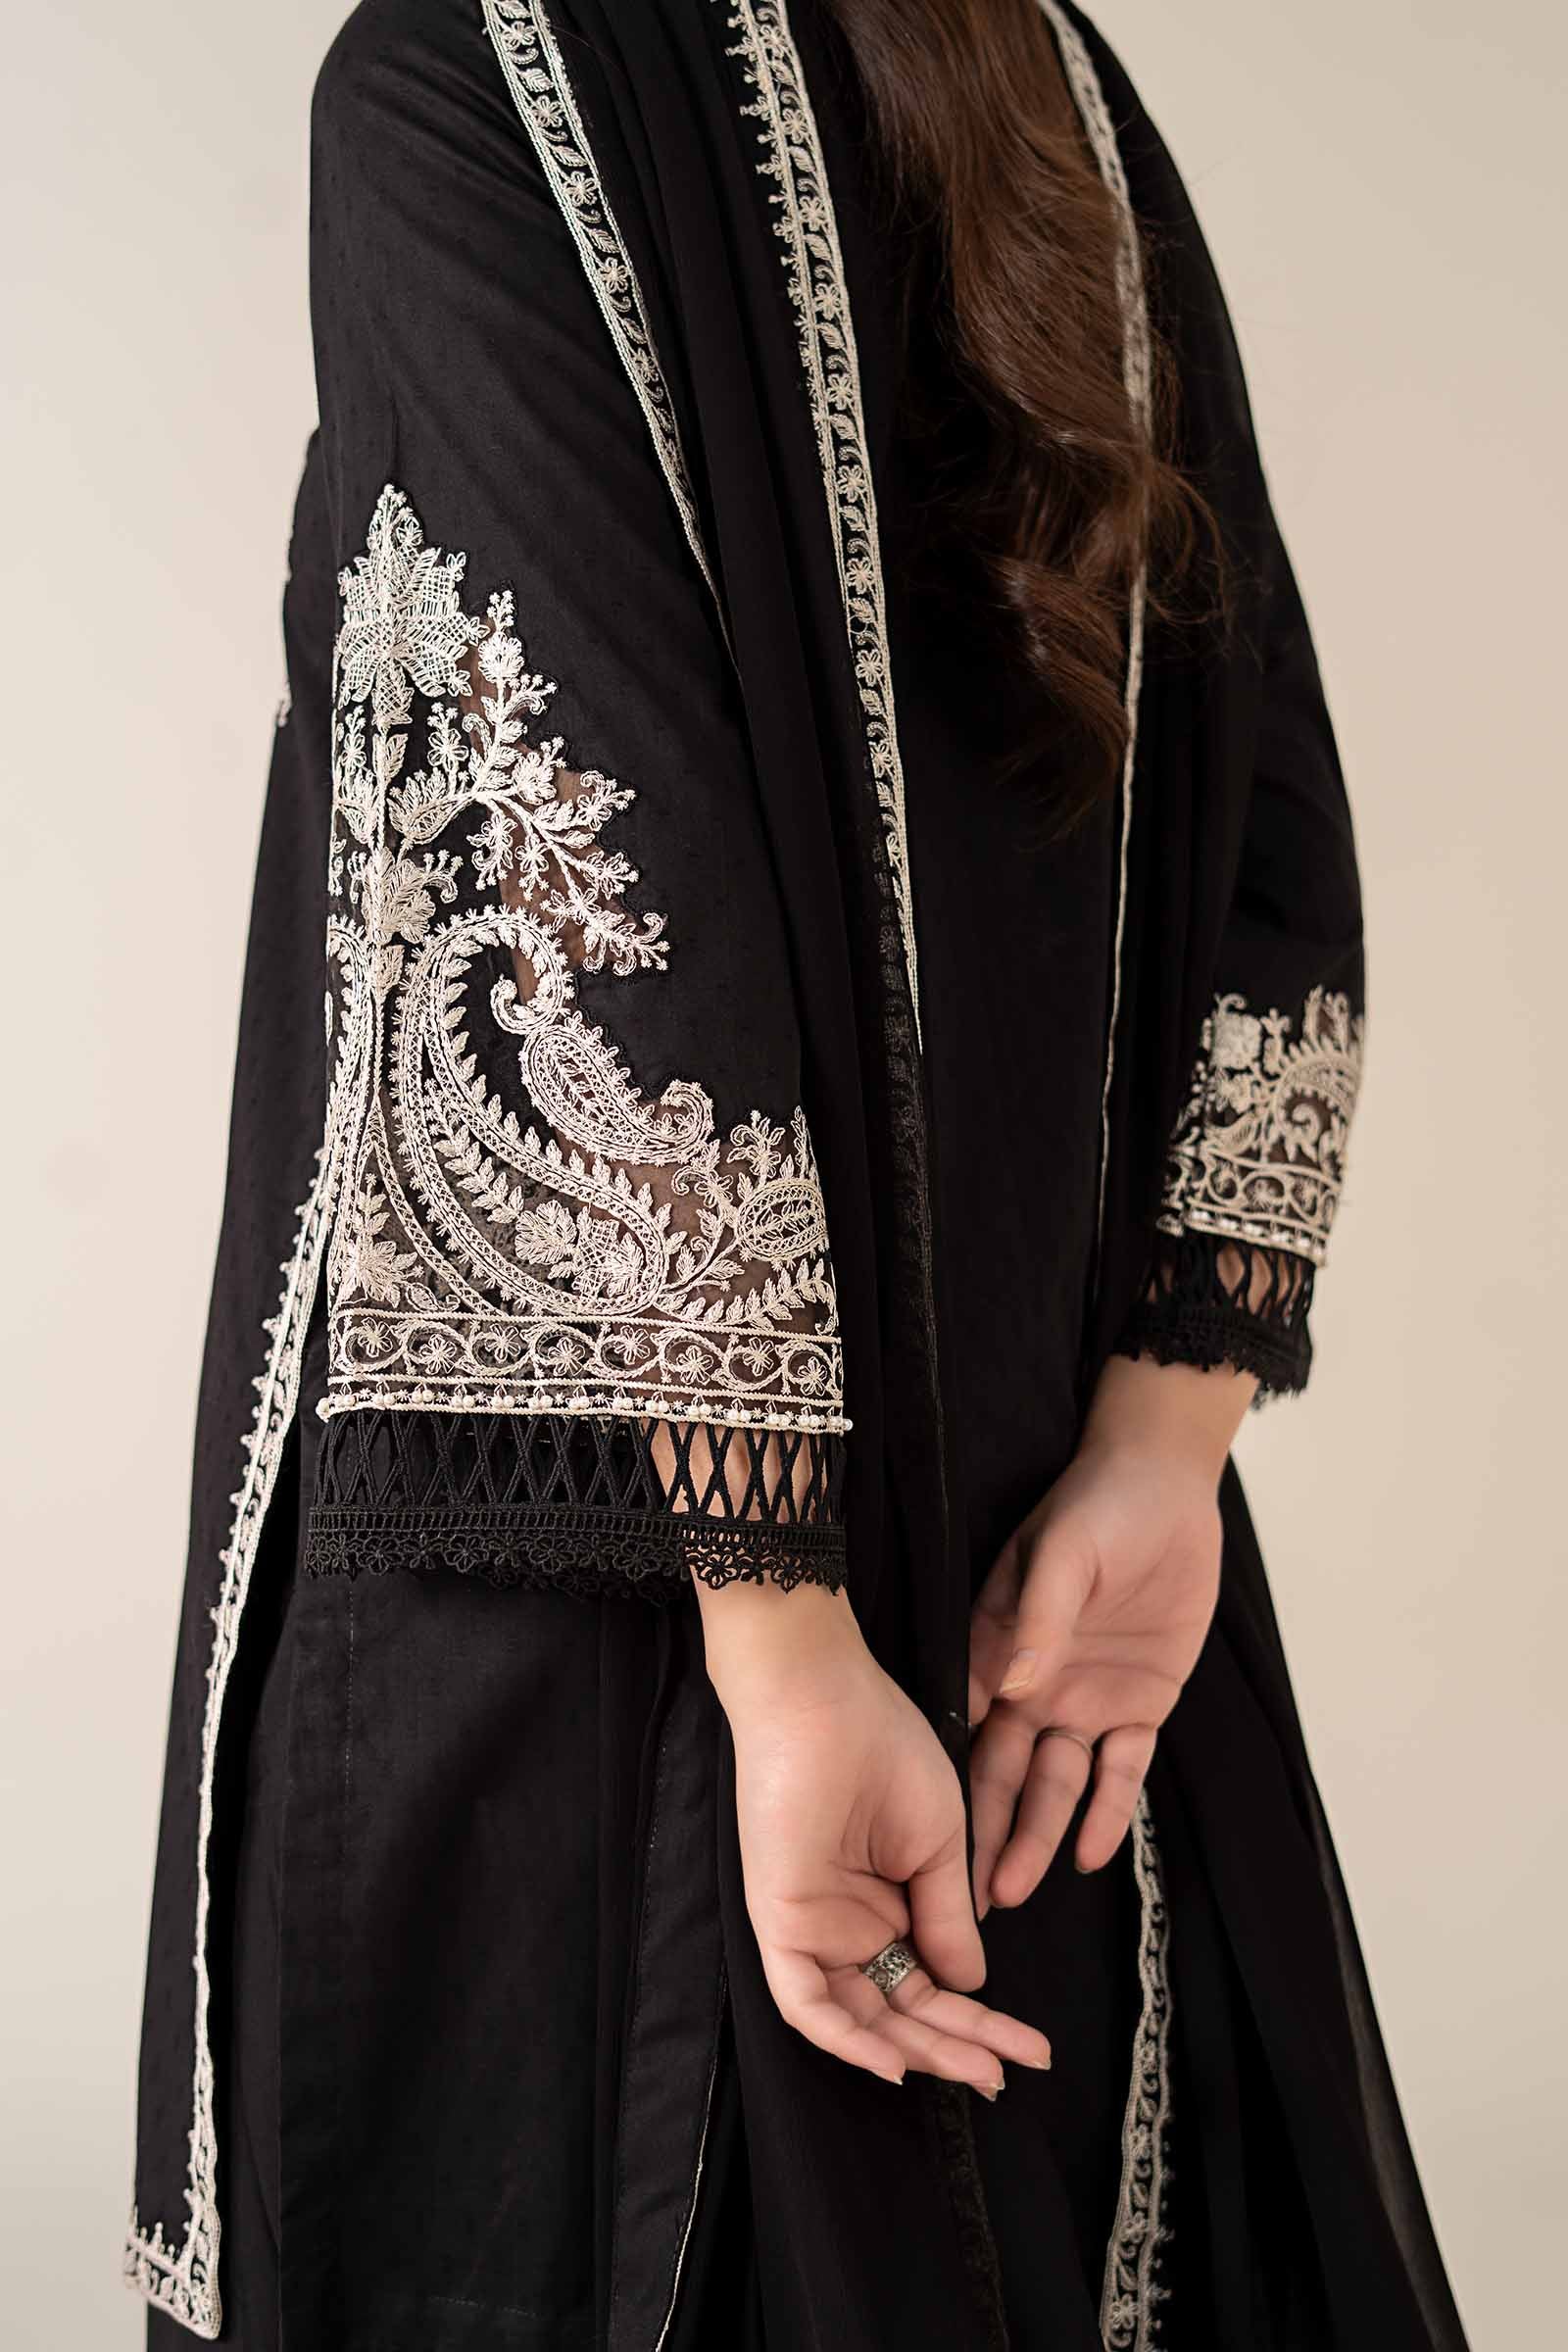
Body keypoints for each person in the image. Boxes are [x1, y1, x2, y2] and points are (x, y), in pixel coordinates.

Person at [126, 4, 1471, 2346]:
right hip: (1046, 1615)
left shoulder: (465, 68)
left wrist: (776, 1641)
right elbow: (1270, 834)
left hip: (599, 1634)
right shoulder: (1050, 83)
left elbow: (580, 859)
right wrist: (1159, 1455)